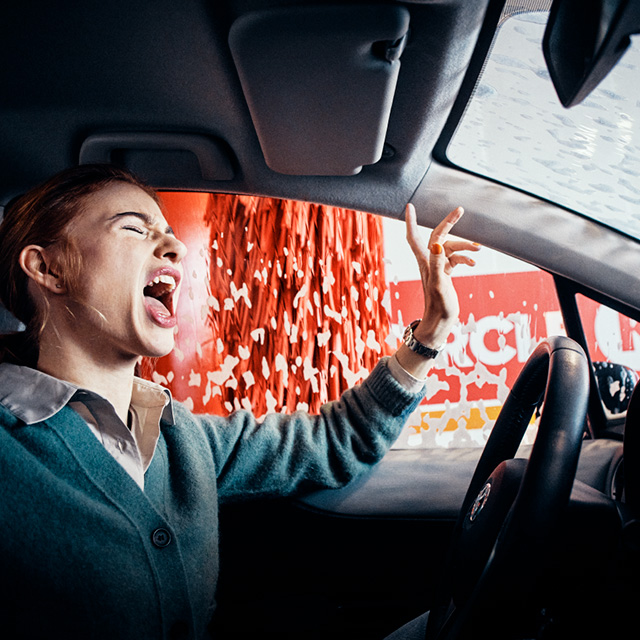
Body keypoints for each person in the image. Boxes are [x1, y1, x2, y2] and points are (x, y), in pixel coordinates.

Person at [0, 164, 478, 639]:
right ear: (48, 268)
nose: (176, 247)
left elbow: (336, 438)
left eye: (168, 233)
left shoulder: (185, 438)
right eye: (132, 228)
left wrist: (431, 332)